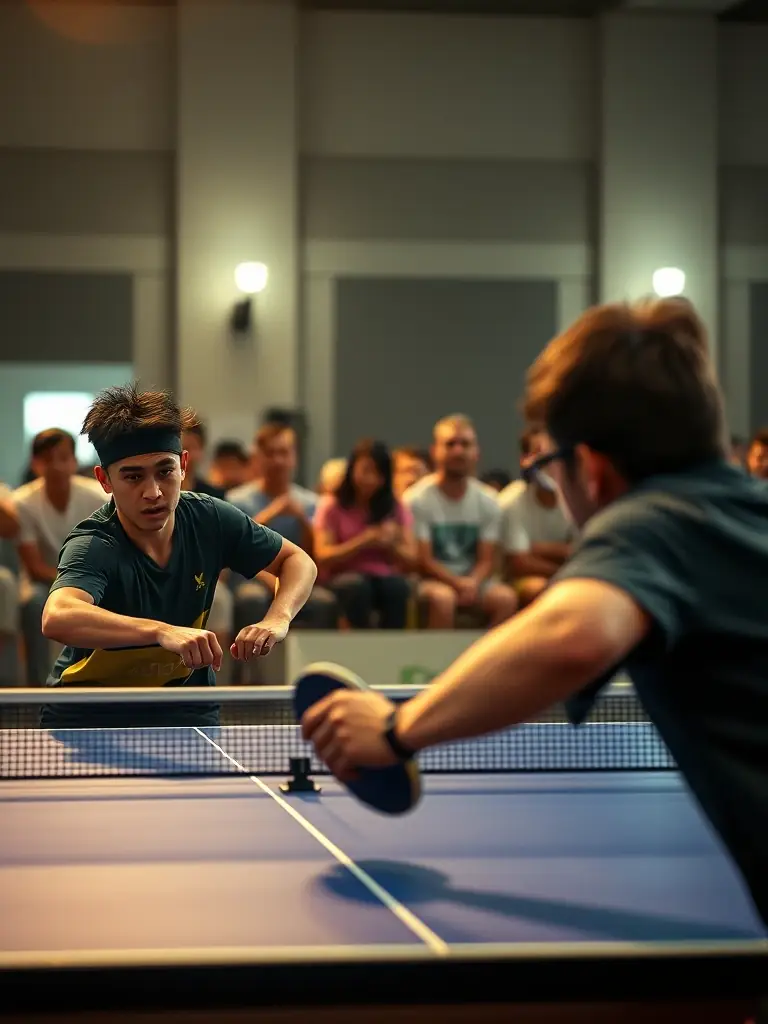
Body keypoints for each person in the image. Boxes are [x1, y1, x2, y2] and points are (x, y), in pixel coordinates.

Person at [302, 296, 768, 934]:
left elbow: (573, 633)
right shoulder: (747, 510)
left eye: (551, 465)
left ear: (594, 471)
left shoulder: (652, 523)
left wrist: (396, 728)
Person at [40, 384, 317, 728]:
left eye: (164, 471)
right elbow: (57, 616)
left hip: (184, 708)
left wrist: (278, 618)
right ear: (105, 480)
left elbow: (298, 562)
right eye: (133, 477)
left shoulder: (210, 519)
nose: (153, 492)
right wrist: (160, 631)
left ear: (183, 465)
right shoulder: (95, 543)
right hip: (91, 714)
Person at [404, 414, 518, 628]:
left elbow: (487, 559)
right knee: (443, 599)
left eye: (465, 444)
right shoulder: (416, 499)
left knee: (505, 598)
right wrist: (457, 584)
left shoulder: (489, 501)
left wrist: (471, 583)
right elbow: (424, 560)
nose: (458, 451)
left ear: (476, 452)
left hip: (475, 580)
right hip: (431, 581)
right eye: (450, 444)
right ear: (435, 451)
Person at [13, 429, 105, 685]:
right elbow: (33, 568)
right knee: (34, 604)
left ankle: (94, 682)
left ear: (74, 462)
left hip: (92, 580)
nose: (56, 466)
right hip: (43, 583)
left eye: (63, 457)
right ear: (35, 464)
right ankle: (39, 688)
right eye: (47, 459)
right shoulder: (23, 502)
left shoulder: (96, 497)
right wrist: (71, 586)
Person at [314, 439, 417, 629]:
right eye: (365, 471)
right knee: (357, 587)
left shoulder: (395, 506)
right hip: (343, 577)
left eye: (378, 473)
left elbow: (412, 557)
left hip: (384, 577)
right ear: (352, 470)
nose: (371, 479)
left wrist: (390, 544)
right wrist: (363, 541)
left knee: (397, 588)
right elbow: (322, 554)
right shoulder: (331, 505)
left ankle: (394, 648)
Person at [497, 428, 576, 607]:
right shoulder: (511, 501)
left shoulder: (576, 498)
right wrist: (564, 565)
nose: (548, 462)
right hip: (520, 581)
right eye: (539, 453)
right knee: (540, 588)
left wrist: (535, 548)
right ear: (525, 461)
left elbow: (582, 550)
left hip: (568, 573)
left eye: (553, 453)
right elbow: (520, 563)